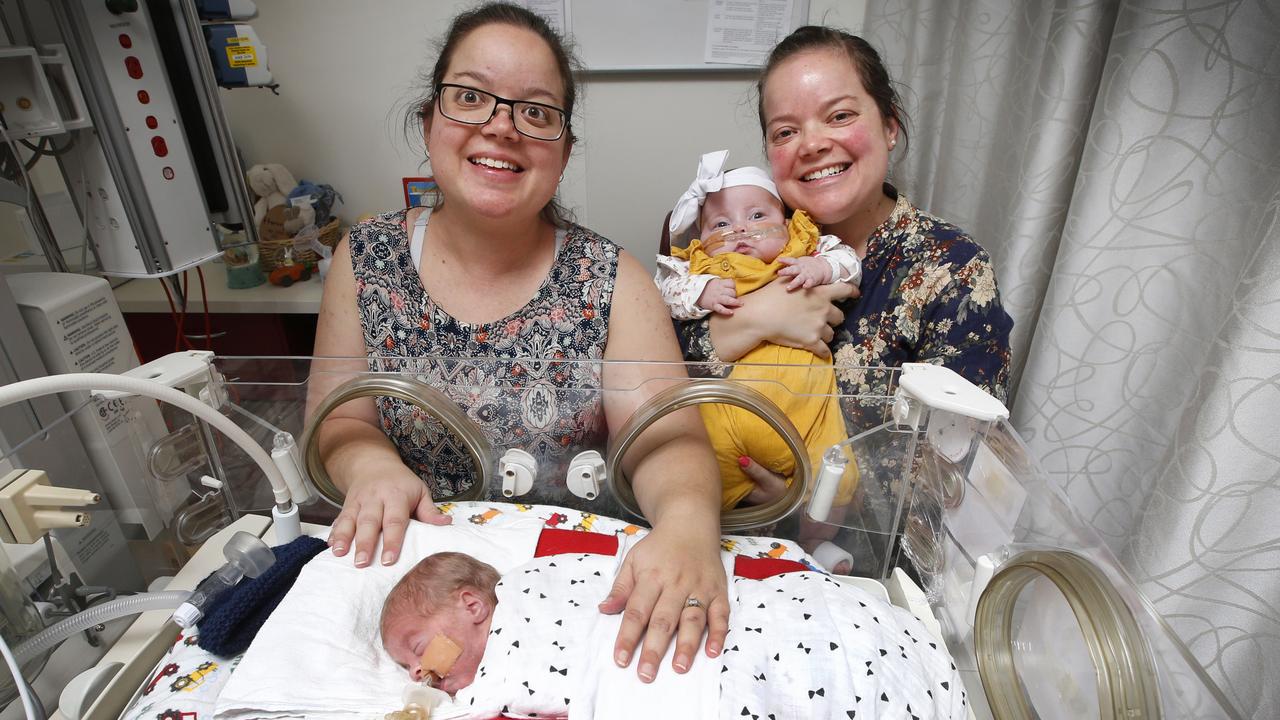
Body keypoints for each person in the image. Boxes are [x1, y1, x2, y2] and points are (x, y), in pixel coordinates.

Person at [307, 2, 726, 683]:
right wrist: (368, 467)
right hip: (428, 583)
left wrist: (684, 527)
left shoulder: (613, 279)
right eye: (471, 97)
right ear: (428, 121)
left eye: (535, 111)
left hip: (570, 589)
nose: (501, 125)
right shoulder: (364, 258)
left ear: (562, 151)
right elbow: (339, 421)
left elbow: (668, 441)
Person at [676, 26, 1014, 490]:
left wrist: (815, 502)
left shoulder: (950, 269)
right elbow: (653, 375)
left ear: (889, 126)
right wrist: (752, 319)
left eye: (839, 116)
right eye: (786, 131)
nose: (811, 144)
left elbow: (957, 470)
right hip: (719, 506)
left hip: (865, 551)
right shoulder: (736, 238)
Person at [380, 549, 968, 718]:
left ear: (473, 603)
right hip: (694, 676)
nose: (416, 670)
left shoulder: (533, 586)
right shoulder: (483, 672)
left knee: (791, 646)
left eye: (414, 647)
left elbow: (607, 576)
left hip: (728, 636)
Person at [654, 150, 860, 518]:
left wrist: (820, 266)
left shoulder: (806, 246)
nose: (740, 230)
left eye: (757, 216)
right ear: (701, 237)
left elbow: (849, 265)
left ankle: (822, 539)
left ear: (787, 222)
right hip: (728, 409)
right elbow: (665, 295)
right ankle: (706, 529)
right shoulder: (701, 265)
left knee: (834, 475)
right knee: (698, 472)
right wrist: (700, 292)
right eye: (720, 224)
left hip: (808, 408)